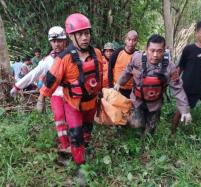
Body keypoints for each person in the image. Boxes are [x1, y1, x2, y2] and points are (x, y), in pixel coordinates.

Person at [40, 13, 103, 166]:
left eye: (86, 33)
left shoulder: (97, 54)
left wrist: (100, 97)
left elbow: (100, 77)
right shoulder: (64, 58)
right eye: (80, 34)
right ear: (71, 36)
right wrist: (41, 98)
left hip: (91, 103)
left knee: (87, 131)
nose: (84, 38)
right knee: (75, 134)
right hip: (73, 104)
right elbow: (51, 79)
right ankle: (80, 166)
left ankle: (84, 149)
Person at [114, 34, 191, 135]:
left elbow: (178, 89)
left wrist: (185, 110)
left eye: (159, 51)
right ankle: (129, 123)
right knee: (136, 124)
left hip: (155, 104)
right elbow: (128, 71)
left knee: (150, 131)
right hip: (137, 101)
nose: (155, 55)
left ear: (164, 51)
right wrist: (119, 83)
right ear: (146, 49)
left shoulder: (170, 67)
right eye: (152, 50)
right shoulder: (137, 58)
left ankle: (145, 145)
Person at [10, 26, 69, 152]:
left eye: (59, 40)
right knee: (59, 117)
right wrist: (17, 86)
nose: (56, 44)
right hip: (56, 93)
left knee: (72, 119)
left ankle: (77, 142)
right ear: (50, 42)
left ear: (65, 41)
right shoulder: (47, 60)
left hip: (73, 92)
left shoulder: (72, 55)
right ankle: (65, 145)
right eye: (54, 41)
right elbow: (33, 74)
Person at [108, 30, 138, 98]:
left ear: (137, 41)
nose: (131, 42)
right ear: (125, 40)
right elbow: (110, 69)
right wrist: (110, 87)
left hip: (132, 90)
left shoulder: (138, 55)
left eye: (134, 40)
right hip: (117, 88)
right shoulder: (117, 52)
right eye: (129, 39)